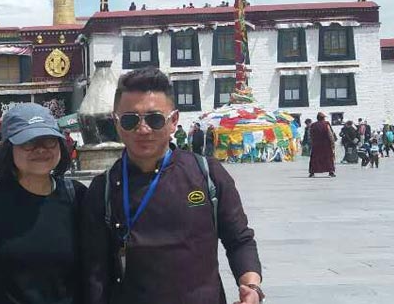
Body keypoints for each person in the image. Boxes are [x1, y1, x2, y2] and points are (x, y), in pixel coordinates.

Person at [81, 67, 263, 304]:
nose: (143, 129)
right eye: (130, 120)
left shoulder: (206, 174)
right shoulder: (102, 188)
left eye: (155, 119)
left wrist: (251, 286)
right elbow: (95, 273)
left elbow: (239, 240)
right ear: (116, 122)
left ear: (174, 120)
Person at [0, 103, 87, 304]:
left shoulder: (77, 196)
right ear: (9, 149)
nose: (40, 150)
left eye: (49, 141)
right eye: (28, 143)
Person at [309, 112, 337, 178]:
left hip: (316, 144)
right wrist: (333, 143)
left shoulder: (313, 125)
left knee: (315, 159)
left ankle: (312, 172)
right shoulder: (326, 124)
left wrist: (312, 142)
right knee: (328, 158)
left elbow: (310, 135)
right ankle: (331, 172)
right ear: (323, 118)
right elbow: (330, 134)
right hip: (326, 144)